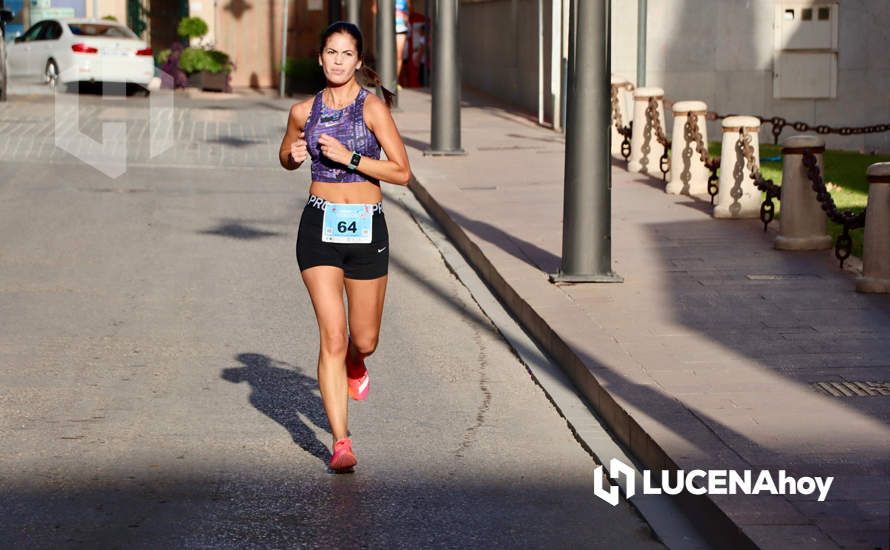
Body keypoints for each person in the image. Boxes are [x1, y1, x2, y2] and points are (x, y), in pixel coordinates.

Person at [278, 21, 411, 473]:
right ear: (320, 58)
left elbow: (402, 172)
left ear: (358, 61)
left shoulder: (371, 108)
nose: (337, 61)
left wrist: (349, 157)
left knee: (364, 339)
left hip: (366, 228)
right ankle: (341, 442)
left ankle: (358, 362)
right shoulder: (302, 111)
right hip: (318, 227)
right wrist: (292, 156)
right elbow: (285, 154)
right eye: (330, 52)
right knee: (331, 336)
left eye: (346, 54)